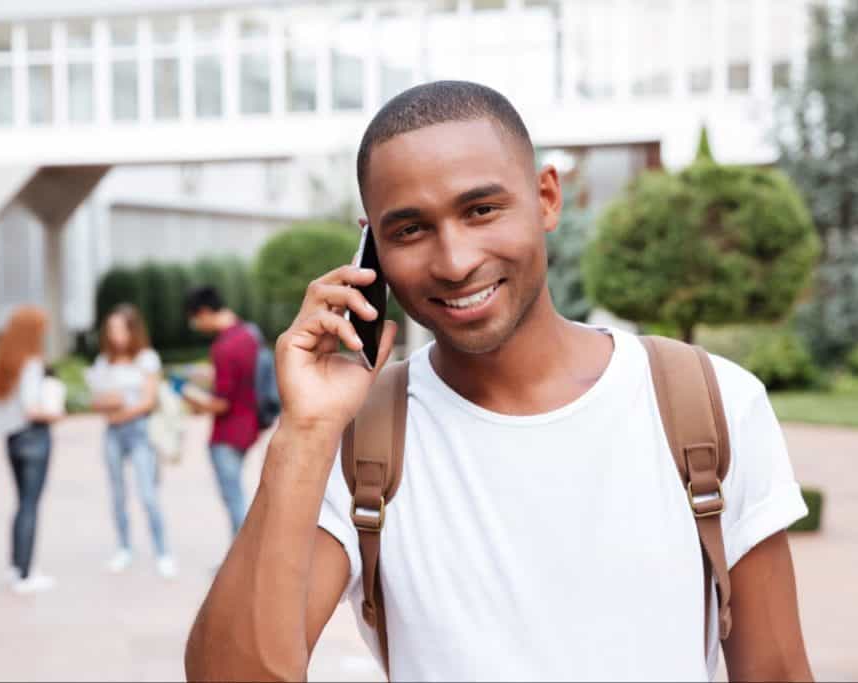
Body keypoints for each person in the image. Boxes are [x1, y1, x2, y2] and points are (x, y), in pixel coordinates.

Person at [184, 81, 813, 681]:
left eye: (481, 210)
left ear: (546, 198)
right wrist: (305, 431)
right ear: (371, 245)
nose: (455, 261)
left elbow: (777, 673)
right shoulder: (357, 441)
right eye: (410, 229)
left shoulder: (710, 402)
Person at [90, 304, 176, 578]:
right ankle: (124, 548)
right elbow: (97, 399)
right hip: (113, 434)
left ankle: (163, 553)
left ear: (132, 329)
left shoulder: (146, 359)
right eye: (111, 328)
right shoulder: (104, 361)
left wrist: (119, 410)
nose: (115, 334)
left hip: (139, 432)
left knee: (148, 494)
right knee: (117, 494)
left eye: (120, 328)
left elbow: (148, 401)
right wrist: (109, 405)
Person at [0, 306, 62, 595]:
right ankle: (26, 574)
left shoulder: (7, 364)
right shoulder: (30, 364)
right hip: (34, 438)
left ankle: (16, 565)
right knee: (30, 504)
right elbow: (32, 409)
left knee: (21, 504)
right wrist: (55, 414)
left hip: (13, 440)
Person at [182, 286, 260, 537]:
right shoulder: (249, 335)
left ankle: (240, 563)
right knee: (239, 496)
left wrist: (189, 397)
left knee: (234, 500)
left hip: (226, 434)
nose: (195, 324)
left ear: (204, 312)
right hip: (250, 427)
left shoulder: (224, 347)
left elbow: (221, 403)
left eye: (195, 318)